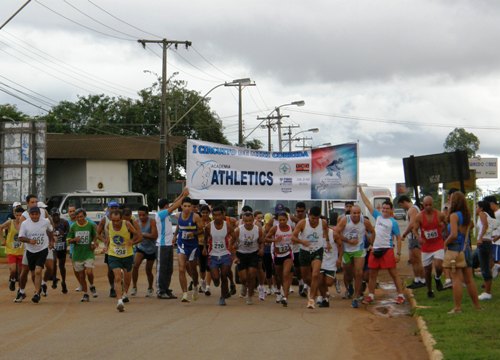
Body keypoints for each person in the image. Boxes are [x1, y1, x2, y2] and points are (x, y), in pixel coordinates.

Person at [359, 186, 405, 305]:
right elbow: (368, 204)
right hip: (375, 249)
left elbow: (399, 238)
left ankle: (400, 295)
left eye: (387, 208)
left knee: (393, 274)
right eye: (383, 208)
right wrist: (360, 191)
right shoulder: (377, 216)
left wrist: (398, 254)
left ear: (391, 210)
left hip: (387, 249)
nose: (384, 210)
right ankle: (371, 295)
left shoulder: (393, 222)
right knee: (372, 274)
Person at [443, 191, 480, 314]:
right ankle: (477, 306)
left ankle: (457, 307)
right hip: (466, 248)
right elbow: (472, 227)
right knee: (469, 279)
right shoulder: (467, 215)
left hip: (455, 249)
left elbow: (453, 234)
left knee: (456, 279)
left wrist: (445, 243)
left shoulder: (454, 216)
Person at [335, 205, 374, 308]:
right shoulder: (345, 220)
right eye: (354, 213)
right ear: (350, 213)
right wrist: (348, 241)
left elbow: (373, 231)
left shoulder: (364, 221)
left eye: (358, 213)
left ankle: (356, 297)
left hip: (359, 250)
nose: (356, 215)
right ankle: (349, 288)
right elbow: (336, 232)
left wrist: (372, 243)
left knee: (359, 272)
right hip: (346, 250)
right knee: (348, 273)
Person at [292, 206, 331, 309]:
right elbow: (293, 237)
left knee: (315, 275)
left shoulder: (323, 222)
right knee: (306, 278)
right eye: (312, 218)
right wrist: (301, 241)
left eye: (316, 218)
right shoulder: (303, 223)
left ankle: (311, 299)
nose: (314, 221)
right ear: (309, 216)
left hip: (317, 250)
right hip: (304, 252)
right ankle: (318, 293)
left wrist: (327, 241)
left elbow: (326, 230)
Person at [156, 188, 189, 299]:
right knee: (162, 268)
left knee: (169, 269)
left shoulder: (166, 214)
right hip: (162, 245)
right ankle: (160, 290)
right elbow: (175, 206)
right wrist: (184, 197)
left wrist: (181, 194)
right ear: (165, 206)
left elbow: (174, 203)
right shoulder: (160, 214)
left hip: (169, 245)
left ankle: (166, 288)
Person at [103, 209, 140, 312]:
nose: (115, 222)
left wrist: (132, 241)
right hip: (113, 254)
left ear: (121, 218)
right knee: (117, 277)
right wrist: (106, 245)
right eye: (113, 220)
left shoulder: (127, 224)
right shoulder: (109, 225)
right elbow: (109, 237)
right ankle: (119, 301)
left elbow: (136, 234)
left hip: (127, 255)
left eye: (117, 220)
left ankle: (124, 294)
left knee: (128, 278)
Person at [17, 207, 54, 303]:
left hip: (42, 249)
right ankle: (37, 289)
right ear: (29, 215)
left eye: (36, 214)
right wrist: (29, 240)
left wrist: (51, 241)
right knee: (33, 273)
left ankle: (37, 293)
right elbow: (20, 237)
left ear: (39, 214)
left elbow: (50, 230)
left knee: (38, 271)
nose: (34, 216)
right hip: (30, 251)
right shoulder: (25, 224)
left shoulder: (45, 221)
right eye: (32, 214)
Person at [412, 196, 446, 298]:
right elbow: (414, 229)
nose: (428, 207)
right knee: (427, 270)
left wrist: (443, 228)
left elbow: (446, 222)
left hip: (438, 243)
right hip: (426, 246)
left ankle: (437, 277)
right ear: (423, 205)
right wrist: (418, 237)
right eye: (426, 205)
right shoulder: (419, 216)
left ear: (433, 204)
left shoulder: (439, 214)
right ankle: (429, 290)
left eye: (430, 205)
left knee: (439, 265)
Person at [204, 205, 235, 306]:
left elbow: (234, 237)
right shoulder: (209, 226)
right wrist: (205, 248)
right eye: (215, 215)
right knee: (216, 278)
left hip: (225, 254)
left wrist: (231, 245)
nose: (217, 217)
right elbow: (205, 238)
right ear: (212, 216)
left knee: (224, 275)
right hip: (213, 255)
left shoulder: (228, 226)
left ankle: (222, 297)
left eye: (219, 215)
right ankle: (216, 281)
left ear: (223, 215)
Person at [175, 197, 203, 302]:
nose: (187, 208)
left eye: (189, 206)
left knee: (192, 269)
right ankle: (185, 293)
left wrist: (193, 233)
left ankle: (195, 285)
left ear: (192, 207)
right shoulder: (178, 216)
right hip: (181, 244)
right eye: (185, 206)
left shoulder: (195, 217)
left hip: (192, 246)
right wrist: (175, 236)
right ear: (181, 206)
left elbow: (201, 230)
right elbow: (179, 226)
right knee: (181, 268)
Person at [67, 208, 98, 302]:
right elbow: (68, 239)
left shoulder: (91, 225)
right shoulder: (73, 227)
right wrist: (74, 240)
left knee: (89, 272)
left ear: (85, 216)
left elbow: (95, 236)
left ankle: (92, 285)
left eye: (81, 216)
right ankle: (85, 293)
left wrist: (93, 243)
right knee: (81, 276)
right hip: (77, 254)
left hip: (88, 252)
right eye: (78, 217)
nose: (80, 219)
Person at [235, 211, 264, 305]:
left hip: (253, 254)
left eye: (250, 221)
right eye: (246, 221)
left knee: (252, 275)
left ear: (253, 220)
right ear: (243, 221)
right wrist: (234, 256)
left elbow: (261, 241)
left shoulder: (258, 229)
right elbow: (231, 243)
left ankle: (249, 295)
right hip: (241, 254)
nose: (248, 223)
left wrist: (261, 249)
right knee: (243, 278)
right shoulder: (238, 230)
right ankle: (244, 285)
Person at [399, 195, 426, 289]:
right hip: (413, 237)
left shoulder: (412, 210)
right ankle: (417, 279)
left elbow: (412, 224)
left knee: (417, 260)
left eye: (401, 205)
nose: (402, 207)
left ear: (404, 202)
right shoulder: (413, 209)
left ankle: (422, 279)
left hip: (415, 236)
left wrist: (404, 234)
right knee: (413, 260)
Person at [131, 205, 158, 297]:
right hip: (141, 247)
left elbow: (154, 235)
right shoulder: (136, 222)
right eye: (140, 215)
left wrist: (142, 234)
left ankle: (150, 287)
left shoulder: (152, 222)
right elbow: (134, 235)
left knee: (148, 270)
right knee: (135, 265)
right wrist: (132, 242)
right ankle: (134, 286)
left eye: (143, 215)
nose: (141, 217)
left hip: (151, 249)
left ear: (147, 214)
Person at [475, 200, 498, 300]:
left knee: (484, 268)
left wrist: (480, 238)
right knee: (483, 266)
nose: (476, 209)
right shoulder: (489, 215)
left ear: (481, 208)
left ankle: (487, 293)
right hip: (487, 242)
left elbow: (485, 225)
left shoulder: (482, 214)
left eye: (477, 206)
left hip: (483, 243)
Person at [97, 201, 121, 297]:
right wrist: (104, 240)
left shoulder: (122, 218)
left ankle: (120, 286)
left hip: (121, 246)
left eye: (116, 207)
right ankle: (112, 287)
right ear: (108, 208)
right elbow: (97, 233)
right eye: (112, 207)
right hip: (110, 248)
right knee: (111, 269)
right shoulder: (104, 220)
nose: (114, 209)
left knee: (122, 268)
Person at [0, 206, 24, 291]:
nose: (18, 217)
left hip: (21, 251)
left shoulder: (25, 223)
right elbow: (0, 227)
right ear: (14, 215)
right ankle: (13, 280)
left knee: (20, 273)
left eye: (20, 215)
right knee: (13, 270)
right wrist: (2, 239)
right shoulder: (10, 222)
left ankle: (20, 291)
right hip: (11, 250)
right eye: (17, 215)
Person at [318, 224, 342, 307]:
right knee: (320, 281)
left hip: (331, 261)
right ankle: (325, 299)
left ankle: (334, 280)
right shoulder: (317, 233)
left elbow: (340, 246)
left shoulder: (334, 234)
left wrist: (339, 258)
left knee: (328, 283)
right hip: (320, 260)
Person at [50, 208, 70, 294]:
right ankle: (54, 278)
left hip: (62, 246)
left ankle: (63, 282)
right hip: (53, 246)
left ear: (59, 215)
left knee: (61, 265)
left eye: (57, 215)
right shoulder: (49, 223)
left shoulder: (64, 222)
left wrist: (64, 236)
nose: (55, 218)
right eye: (54, 216)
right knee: (53, 262)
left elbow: (68, 232)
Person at [484, 196, 500, 278]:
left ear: (492, 203)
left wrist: (497, 237)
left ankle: (491, 278)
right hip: (493, 240)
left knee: (497, 261)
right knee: (492, 261)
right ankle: (490, 278)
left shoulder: (498, 213)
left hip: (497, 242)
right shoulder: (493, 214)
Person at [198, 205, 213, 296]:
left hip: (210, 245)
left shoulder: (212, 222)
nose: (205, 214)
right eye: (203, 212)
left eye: (206, 213)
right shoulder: (198, 221)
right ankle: (202, 281)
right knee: (202, 267)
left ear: (209, 213)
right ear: (200, 213)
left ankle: (207, 286)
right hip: (199, 245)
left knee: (209, 266)